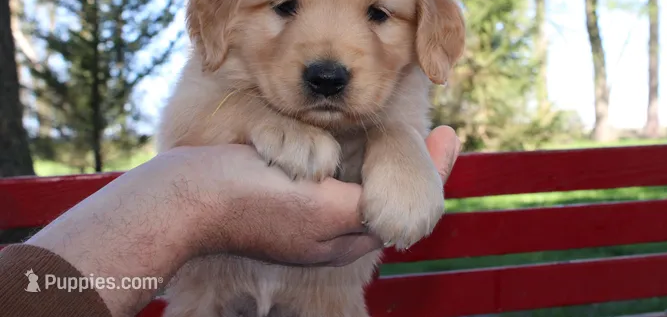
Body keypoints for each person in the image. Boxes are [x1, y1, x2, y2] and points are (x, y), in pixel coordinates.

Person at [0, 126, 461, 317]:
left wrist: (396, 141)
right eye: (286, 6)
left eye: (376, 13)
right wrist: (200, 198)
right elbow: (190, 119)